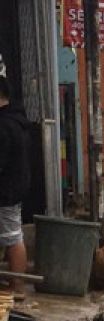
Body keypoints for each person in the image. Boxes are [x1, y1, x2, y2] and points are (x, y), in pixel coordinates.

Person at [0, 76, 32, 298]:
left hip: (6, 190)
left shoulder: (4, 125)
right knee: (11, 234)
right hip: (15, 186)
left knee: (12, 236)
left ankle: (17, 286)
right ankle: (14, 282)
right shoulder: (16, 120)